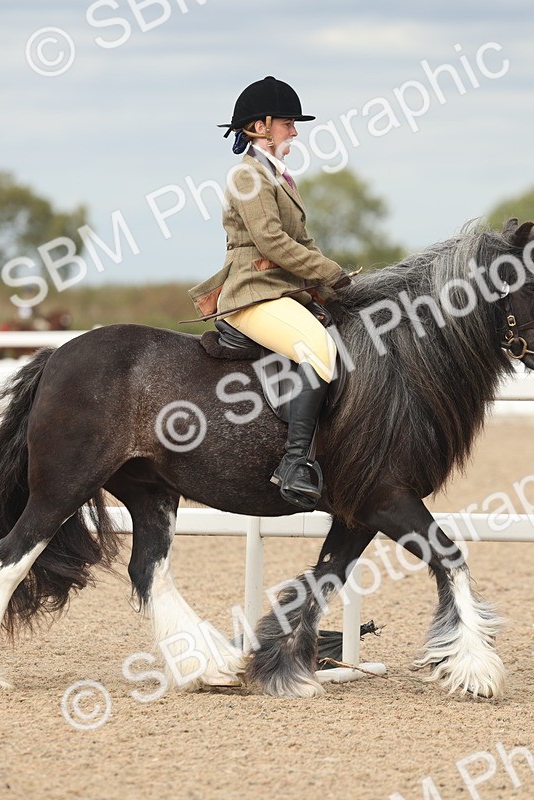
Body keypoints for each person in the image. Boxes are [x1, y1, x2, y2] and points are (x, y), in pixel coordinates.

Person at [188, 76, 353, 510]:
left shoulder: (278, 176)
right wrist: (329, 272)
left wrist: (336, 284)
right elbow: (272, 242)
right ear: (260, 126)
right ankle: (295, 462)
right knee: (318, 348)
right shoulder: (247, 176)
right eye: (287, 123)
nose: (294, 131)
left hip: (282, 293)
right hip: (252, 296)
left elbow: (303, 242)